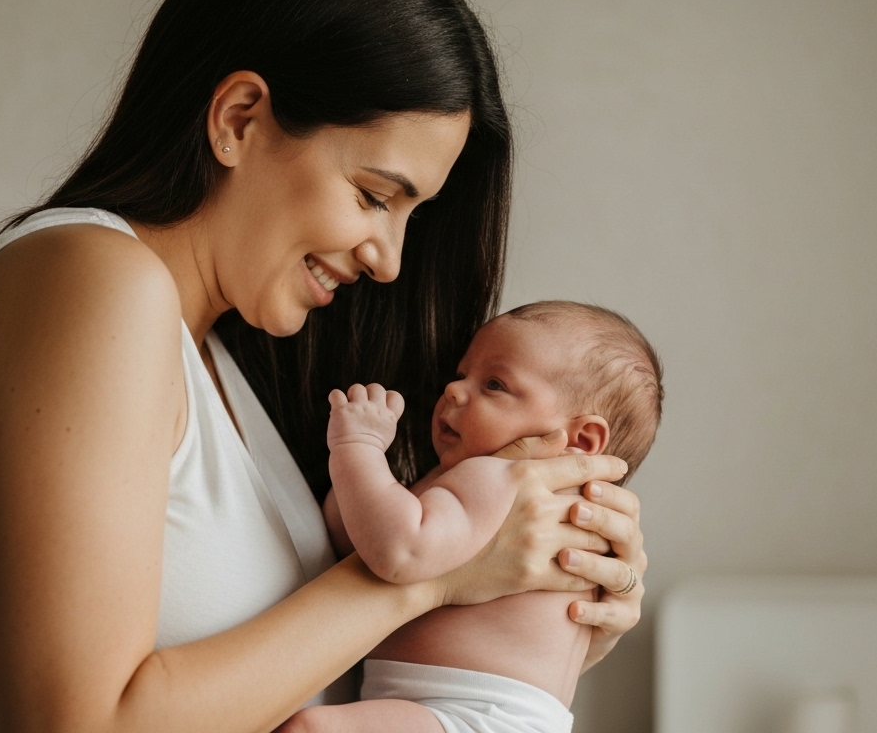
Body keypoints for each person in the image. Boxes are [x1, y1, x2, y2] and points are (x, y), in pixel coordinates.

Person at [0, 0, 648, 731]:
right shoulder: (89, 278)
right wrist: (440, 570)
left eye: (411, 216)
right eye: (372, 196)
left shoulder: (220, 362)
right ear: (239, 120)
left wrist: (545, 607)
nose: (389, 259)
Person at [282, 301, 663, 733]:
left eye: (495, 384)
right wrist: (360, 487)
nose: (454, 391)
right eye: (463, 375)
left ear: (581, 439)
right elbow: (352, 539)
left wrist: (358, 449)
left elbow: (399, 550)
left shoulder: (502, 477)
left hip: (472, 715)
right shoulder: (494, 489)